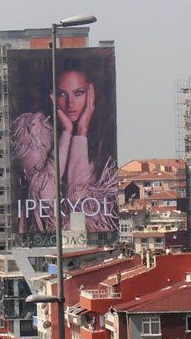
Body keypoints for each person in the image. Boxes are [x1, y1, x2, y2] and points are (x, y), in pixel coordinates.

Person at [11, 61, 117, 235]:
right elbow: (44, 202)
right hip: (40, 241)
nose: (70, 103)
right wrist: (67, 134)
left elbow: (83, 211)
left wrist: (81, 133)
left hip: (82, 247)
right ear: (51, 95)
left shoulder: (103, 142)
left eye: (79, 93)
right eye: (62, 94)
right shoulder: (33, 130)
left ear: (92, 93)